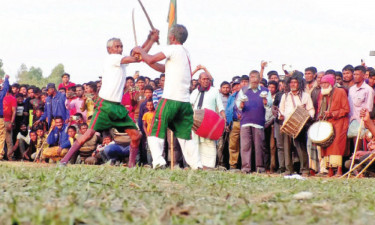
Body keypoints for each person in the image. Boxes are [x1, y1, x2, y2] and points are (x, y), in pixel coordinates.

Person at [60, 29, 159, 167]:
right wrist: (150, 41)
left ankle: (131, 166)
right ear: (109, 49)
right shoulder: (112, 59)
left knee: (136, 135)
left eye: (121, 46)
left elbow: (139, 56)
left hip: (117, 107)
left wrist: (150, 40)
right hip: (105, 105)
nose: (120, 49)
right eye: (117, 46)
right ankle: (64, 160)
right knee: (88, 134)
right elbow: (138, 57)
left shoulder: (120, 60)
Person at [133, 24, 202, 169]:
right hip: (184, 102)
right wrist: (145, 59)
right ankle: (197, 165)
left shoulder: (172, 48)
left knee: (155, 129)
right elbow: (163, 68)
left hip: (170, 98)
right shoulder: (185, 52)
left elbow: (151, 59)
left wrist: (141, 51)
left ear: (172, 37)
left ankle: (158, 161)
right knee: (185, 136)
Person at [279, 72, 315, 176]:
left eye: (295, 82)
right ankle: (288, 169)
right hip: (287, 124)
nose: (293, 84)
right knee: (287, 148)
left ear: (299, 83)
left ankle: (304, 170)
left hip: (300, 125)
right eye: (291, 82)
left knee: (301, 147)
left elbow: (311, 110)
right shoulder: (285, 96)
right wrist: (280, 116)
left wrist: (307, 117)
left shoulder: (305, 96)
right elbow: (281, 110)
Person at [236, 70, 271, 173]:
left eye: (256, 77)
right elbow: (238, 104)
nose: (254, 79)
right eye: (252, 77)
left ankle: (259, 167)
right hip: (245, 121)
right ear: (249, 79)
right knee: (245, 146)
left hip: (259, 122)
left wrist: (265, 101)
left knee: (259, 146)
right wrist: (241, 104)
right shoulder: (244, 90)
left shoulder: (265, 90)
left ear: (259, 79)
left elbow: (269, 104)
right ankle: (246, 168)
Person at [190, 71, 225, 168]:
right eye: (203, 79)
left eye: (207, 79)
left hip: (209, 122)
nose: (206, 81)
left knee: (209, 143)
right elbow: (189, 106)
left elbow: (220, 106)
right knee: (195, 143)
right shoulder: (194, 92)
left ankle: (209, 166)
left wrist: (224, 118)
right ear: (199, 80)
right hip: (195, 122)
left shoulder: (214, 91)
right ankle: (197, 165)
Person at [316, 75, 350, 177]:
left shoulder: (340, 92)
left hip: (339, 123)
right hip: (326, 123)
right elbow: (319, 109)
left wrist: (333, 113)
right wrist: (321, 115)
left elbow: (346, 109)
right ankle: (330, 171)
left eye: (326, 83)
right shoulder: (322, 94)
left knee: (337, 147)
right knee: (325, 146)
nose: (323, 85)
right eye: (322, 83)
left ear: (331, 83)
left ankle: (339, 170)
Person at [225, 79, 242, 170]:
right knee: (233, 145)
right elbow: (228, 110)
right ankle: (233, 165)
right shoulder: (232, 97)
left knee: (245, 145)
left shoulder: (246, 95)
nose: (236, 87)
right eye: (235, 85)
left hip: (244, 123)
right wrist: (227, 123)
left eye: (238, 84)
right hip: (234, 123)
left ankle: (245, 165)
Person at [3, 89, 17, 160]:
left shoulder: (12, 98)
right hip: (1, 119)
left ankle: (10, 156)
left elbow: (14, 111)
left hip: (7, 120)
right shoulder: (1, 96)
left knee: (9, 140)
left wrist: (11, 122)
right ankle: (2, 155)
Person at [0, 75, 10, 160]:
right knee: (2, 136)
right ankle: (0, 155)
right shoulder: (1, 94)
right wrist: (6, 79)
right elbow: (6, 88)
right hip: (0, 118)